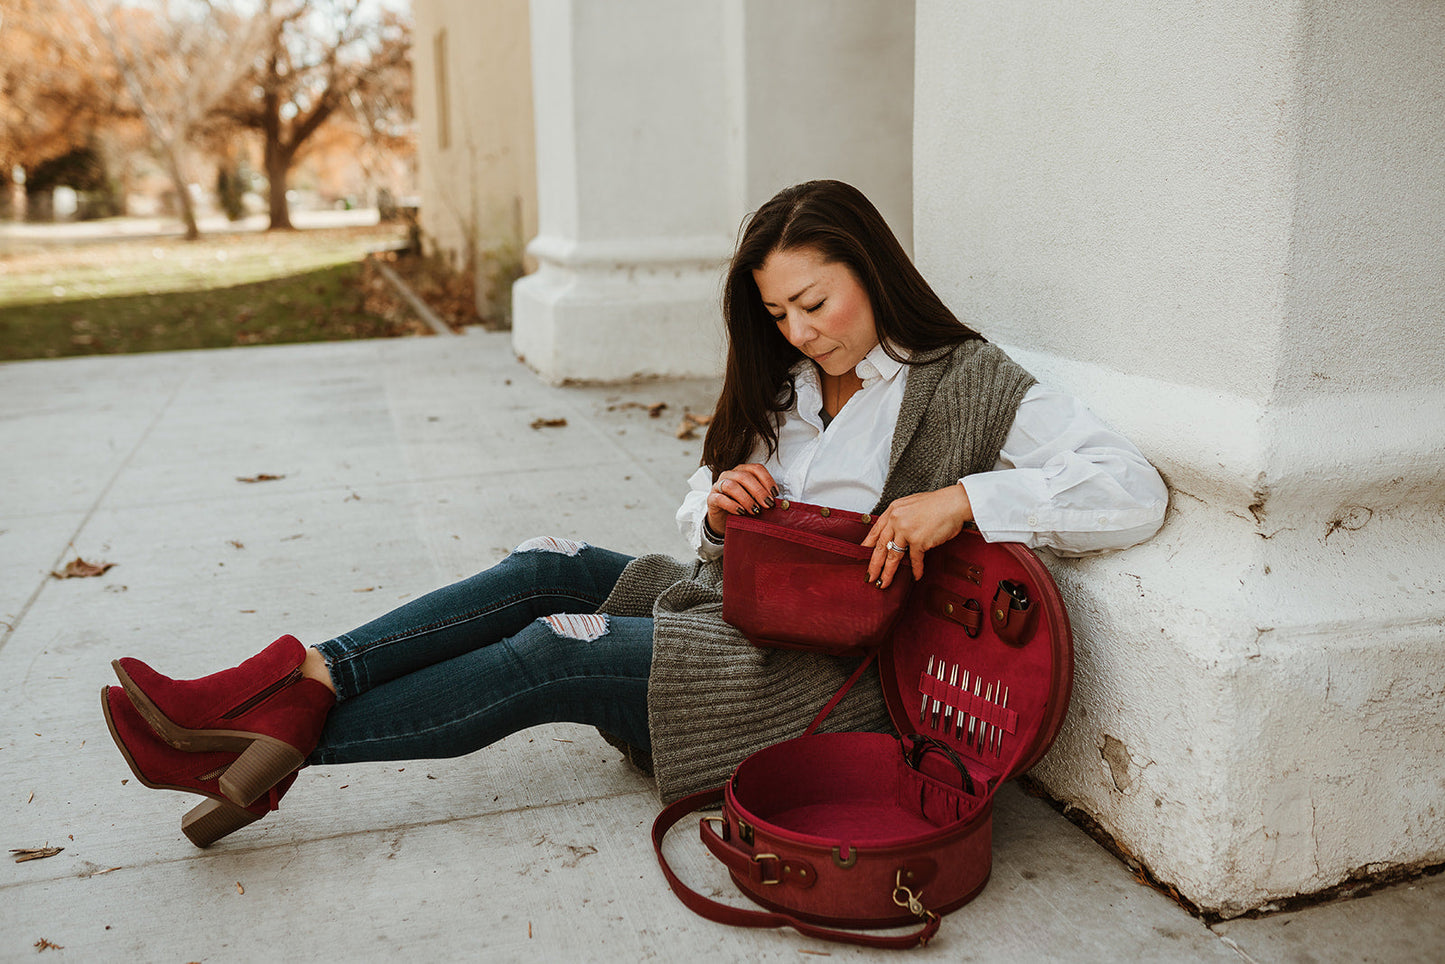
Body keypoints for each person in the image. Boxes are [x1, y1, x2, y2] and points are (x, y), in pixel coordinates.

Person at [101, 180, 1168, 848]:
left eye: (815, 302)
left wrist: (962, 499)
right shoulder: (792, 386)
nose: (798, 332)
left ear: (873, 271)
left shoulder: (964, 379)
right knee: (544, 560)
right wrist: (724, 501)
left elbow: (1129, 487)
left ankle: (261, 742)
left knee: (548, 649)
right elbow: (707, 513)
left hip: (814, 683)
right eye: (775, 312)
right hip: (734, 613)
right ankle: (289, 687)